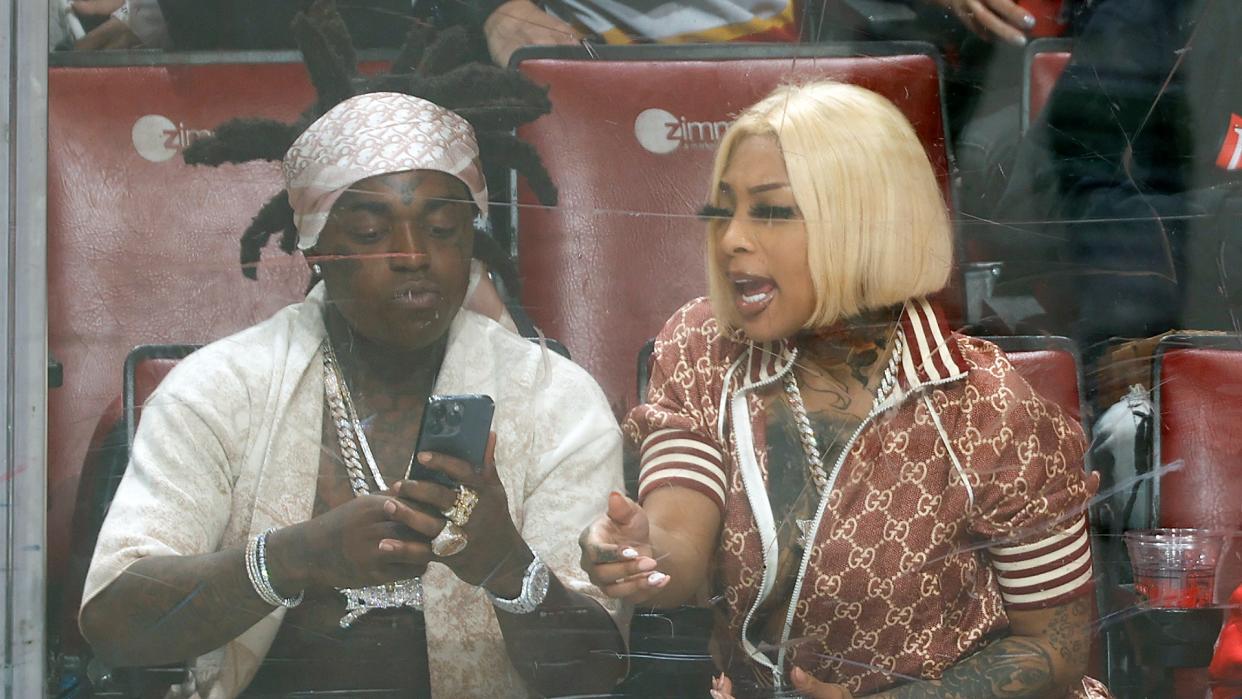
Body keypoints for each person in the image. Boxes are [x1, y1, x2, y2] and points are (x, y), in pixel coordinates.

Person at [78, 87, 627, 698]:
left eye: (443, 228)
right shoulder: (220, 389)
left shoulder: (556, 401)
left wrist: (506, 567)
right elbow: (112, 623)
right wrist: (293, 559)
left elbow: (599, 672)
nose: (414, 256)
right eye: (370, 231)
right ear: (315, 245)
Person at [579, 81, 1108, 698]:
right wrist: (639, 555)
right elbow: (676, 538)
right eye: (725, 210)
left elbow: (1057, 649)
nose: (730, 240)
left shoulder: (989, 411)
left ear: (864, 225)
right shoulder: (704, 348)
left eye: (771, 211)